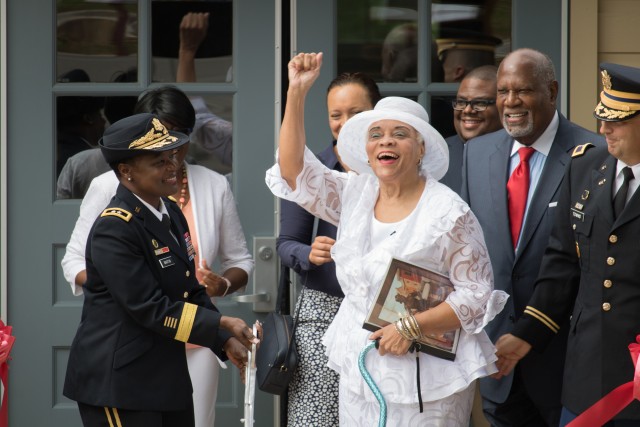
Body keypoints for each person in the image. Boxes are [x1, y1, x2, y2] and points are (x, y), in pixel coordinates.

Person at [266, 51, 508, 426]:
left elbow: (476, 294)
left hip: (426, 379)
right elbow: (294, 170)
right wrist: (296, 92)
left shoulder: (448, 212)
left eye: (400, 135)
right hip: (359, 369)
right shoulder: (354, 195)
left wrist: (410, 327)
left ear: (421, 147)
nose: (386, 143)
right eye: (375, 135)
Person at [61, 87, 254, 427]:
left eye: (173, 157)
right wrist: (222, 324)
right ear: (127, 172)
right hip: (119, 383)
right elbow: (150, 307)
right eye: (159, 161)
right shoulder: (114, 227)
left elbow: (189, 291)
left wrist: (224, 342)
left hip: (166, 377)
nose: (173, 166)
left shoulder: (170, 213)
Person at [460, 48, 605, 427]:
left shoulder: (594, 154)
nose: (510, 102)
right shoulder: (476, 153)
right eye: (503, 91)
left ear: (552, 92)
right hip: (496, 359)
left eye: (522, 90)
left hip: (565, 360)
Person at [493, 62, 640, 426]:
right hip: (586, 375)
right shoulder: (586, 166)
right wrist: (528, 333)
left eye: (618, 119)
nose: (604, 128)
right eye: (602, 116)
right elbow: (562, 263)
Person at [276, 71, 381, 426]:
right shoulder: (316, 171)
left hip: (384, 317)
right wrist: (308, 254)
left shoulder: (394, 170)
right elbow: (286, 243)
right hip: (324, 313)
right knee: (315, 419)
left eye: (356, 112)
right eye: (336, 115)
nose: (345, 123)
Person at [56, 11, 233, 199]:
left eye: (181, 134)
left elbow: (198, 119)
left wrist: (187, 51)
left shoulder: (204, 182)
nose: (171, 143)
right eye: (160, 132)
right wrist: (187, 51)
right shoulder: (89, 171)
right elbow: (54, 221)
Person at [440, 65, 501, 194]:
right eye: (461, 102)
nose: (467, 110)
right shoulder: (436, 152)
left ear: (502, 106)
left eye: (480, 103)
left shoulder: (520, 156)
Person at [56, 69, 106, 176]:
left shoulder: (53, 152)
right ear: (89, 119)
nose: (103, 121)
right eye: (99, 115)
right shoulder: (88, 160)